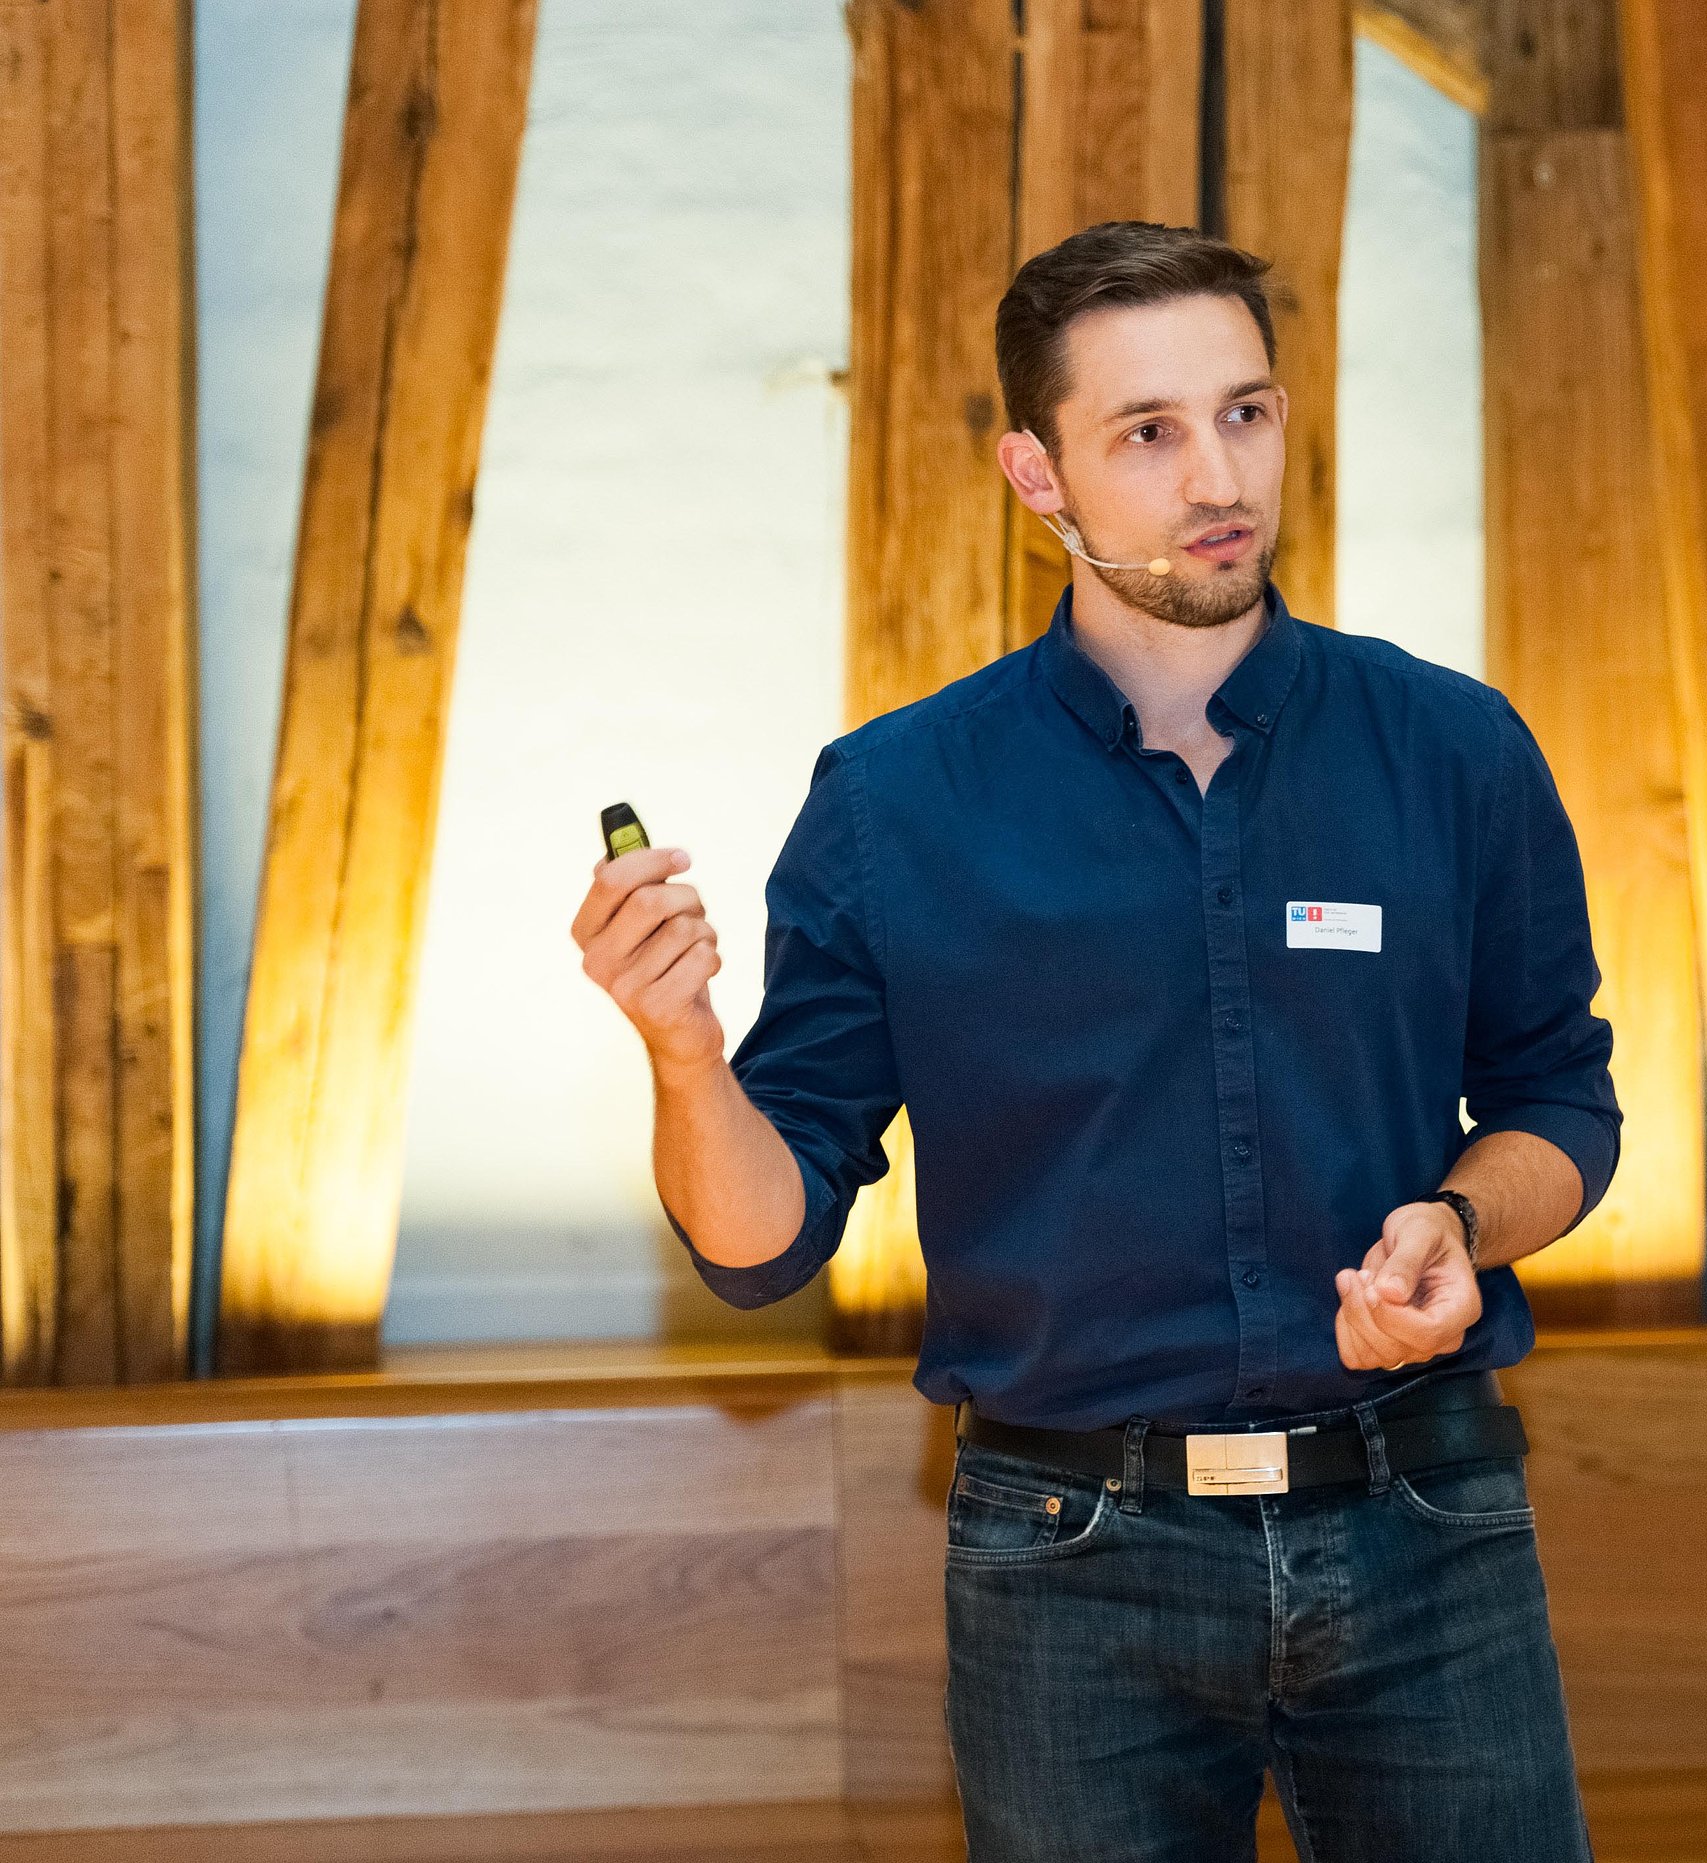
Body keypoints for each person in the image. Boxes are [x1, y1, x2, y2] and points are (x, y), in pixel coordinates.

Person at [569, 220, 1619, 1862]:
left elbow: (1561, 1099)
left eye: (1246, 413)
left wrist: (1462, 1222)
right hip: (1069, 1561)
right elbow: (761, 1247)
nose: (1219, 476)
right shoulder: (896, 802)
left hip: (1426, 1522)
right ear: (1036, 473)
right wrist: (686, 1059)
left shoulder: (1454, 749)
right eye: (1148, 432)